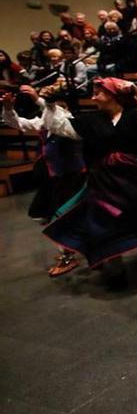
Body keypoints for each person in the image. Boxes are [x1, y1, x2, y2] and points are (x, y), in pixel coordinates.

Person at [40, 77, 137, 286]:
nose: (93, 97)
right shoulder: (90, 120)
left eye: (98, 92)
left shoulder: (133, 116)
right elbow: (60, 126)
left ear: (113, 95)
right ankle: (116, 267)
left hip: (135, 175)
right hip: (104, 179)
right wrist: (49, 104)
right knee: (107, 222)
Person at [2, 84, 87, 276]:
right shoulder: (45, 123)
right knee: (49, 214)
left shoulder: (69, 121)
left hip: (72, 176)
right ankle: (70, 249)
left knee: (64, 216)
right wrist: (8, 108)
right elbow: (19, 123)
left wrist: (39, 99)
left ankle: (68, 256)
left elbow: (55, 115)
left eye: (54, 104)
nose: (49, 108)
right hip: (55, 177)